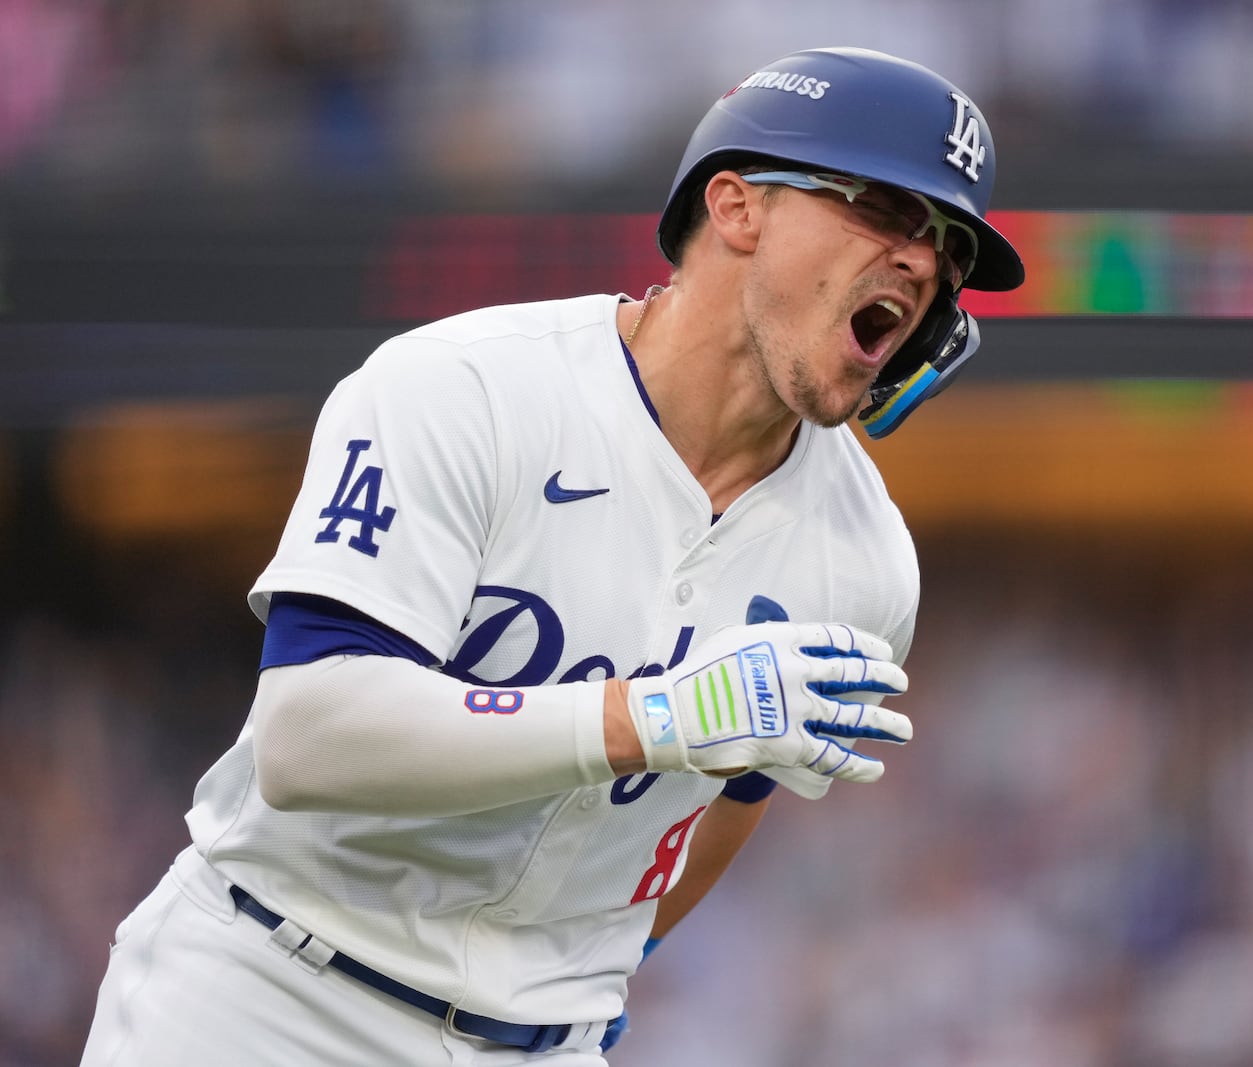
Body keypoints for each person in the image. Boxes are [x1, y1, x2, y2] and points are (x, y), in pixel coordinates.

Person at [79, 45, 1025, 1066]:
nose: (924, 261)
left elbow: (715, 821)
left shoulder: (867, 562)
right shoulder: (467, 388)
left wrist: (572, 983)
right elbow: (309, 734)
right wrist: (654, 716)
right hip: (270, 993)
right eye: (886, 209)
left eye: (948, 245)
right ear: (738, 206)